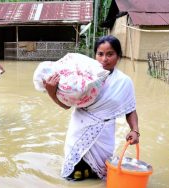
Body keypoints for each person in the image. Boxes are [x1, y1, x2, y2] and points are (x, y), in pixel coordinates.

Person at [43, 35, 139, 181]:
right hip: (79, 132)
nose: (104, 59)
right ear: (95, 55)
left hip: (104, 136)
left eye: (110, 54)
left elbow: (130, 109)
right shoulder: (82, 77)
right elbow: (66, 105)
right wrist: (52, 93)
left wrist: (134, 130)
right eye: (100, 54)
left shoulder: (124, 82)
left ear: (118, 56)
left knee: (99, 177)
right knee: (74, 175)